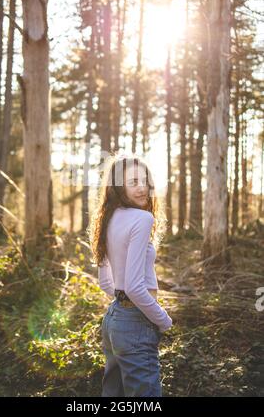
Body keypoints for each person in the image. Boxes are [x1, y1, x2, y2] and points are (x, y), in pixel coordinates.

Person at [88, 154, 173, 397]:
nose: (142, 187)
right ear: (118, 186)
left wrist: (123, 306)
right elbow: (135, 287)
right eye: (134, 181)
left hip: (114, 321)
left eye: (145, 181)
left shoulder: (108, 218)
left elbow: (106, 283)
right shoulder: (143, 218)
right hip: (136, 323)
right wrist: (163, 320)